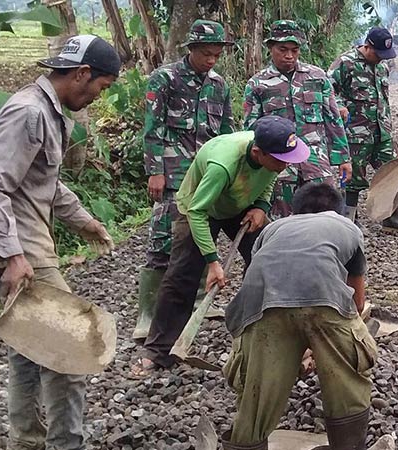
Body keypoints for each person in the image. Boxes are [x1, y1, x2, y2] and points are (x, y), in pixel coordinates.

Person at [0, 35, 120, 450]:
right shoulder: (29, 112)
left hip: (25, 244)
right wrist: (14, 257)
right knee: (68, 350)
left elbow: (44, 183)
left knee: (29, 347)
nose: (97, 98)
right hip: (18, 249)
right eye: (101, 88)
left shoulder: (48, 112)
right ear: (82, 74)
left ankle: (27, 440)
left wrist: (83, 221)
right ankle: (67, 443)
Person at [130, 116, 310, 377]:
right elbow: (198, 212)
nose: (286, 166)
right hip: (200, 207)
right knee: (182, 276)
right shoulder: (222, 165)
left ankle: (267, 333)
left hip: (240, 201)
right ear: (258, 153)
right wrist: (213, 261)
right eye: (282, 160)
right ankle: (157, 351)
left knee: (270, 261)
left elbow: (268, 177)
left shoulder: (271, 160)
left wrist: (261, 206)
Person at [221, 183, 375, 450]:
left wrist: (299, 345)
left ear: (295, 209)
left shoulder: (272, 229)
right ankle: (348, 445)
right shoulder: (347, 227)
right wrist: (326, 344)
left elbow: (263, 279)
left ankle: (248, 440)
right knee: (346, 379)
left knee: (257, 391)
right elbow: (357, 302)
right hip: (325, 302)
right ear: (337, 211)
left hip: (261, 304)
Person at [135, 20, 235, 342]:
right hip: (175, 172)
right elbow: (153, 127)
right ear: (190, 49)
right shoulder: (165, 79)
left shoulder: (219, 85)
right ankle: (148, 313)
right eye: (206, 53)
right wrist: (155, 170)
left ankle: (191, 303)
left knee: (200, 233)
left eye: (216, 55)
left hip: (208, 173)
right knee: (163, 239)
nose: (211, 60)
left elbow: (226, 133)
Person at [244, 20, 352, 218]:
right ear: (270, 48)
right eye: (282, 49)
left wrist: (343, 158)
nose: (289, 56)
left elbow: (333, 119)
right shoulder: (258, 84)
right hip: (279, 164)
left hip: (316, 161)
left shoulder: (317, 77)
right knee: (282, 219)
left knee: (326, 216)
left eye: (294, 50)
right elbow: (251, 129)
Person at [328, 26, 398, 232]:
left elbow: (382, 98)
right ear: (367, 46)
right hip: (355, 133)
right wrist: (339, 105)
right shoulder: (345, 63)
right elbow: (328, 90)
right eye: (378, 54)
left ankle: (391, 218)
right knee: (353, 178)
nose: (381, 58)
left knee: (390, 173)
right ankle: (350, 221)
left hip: (381, 131)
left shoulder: (382, 66)